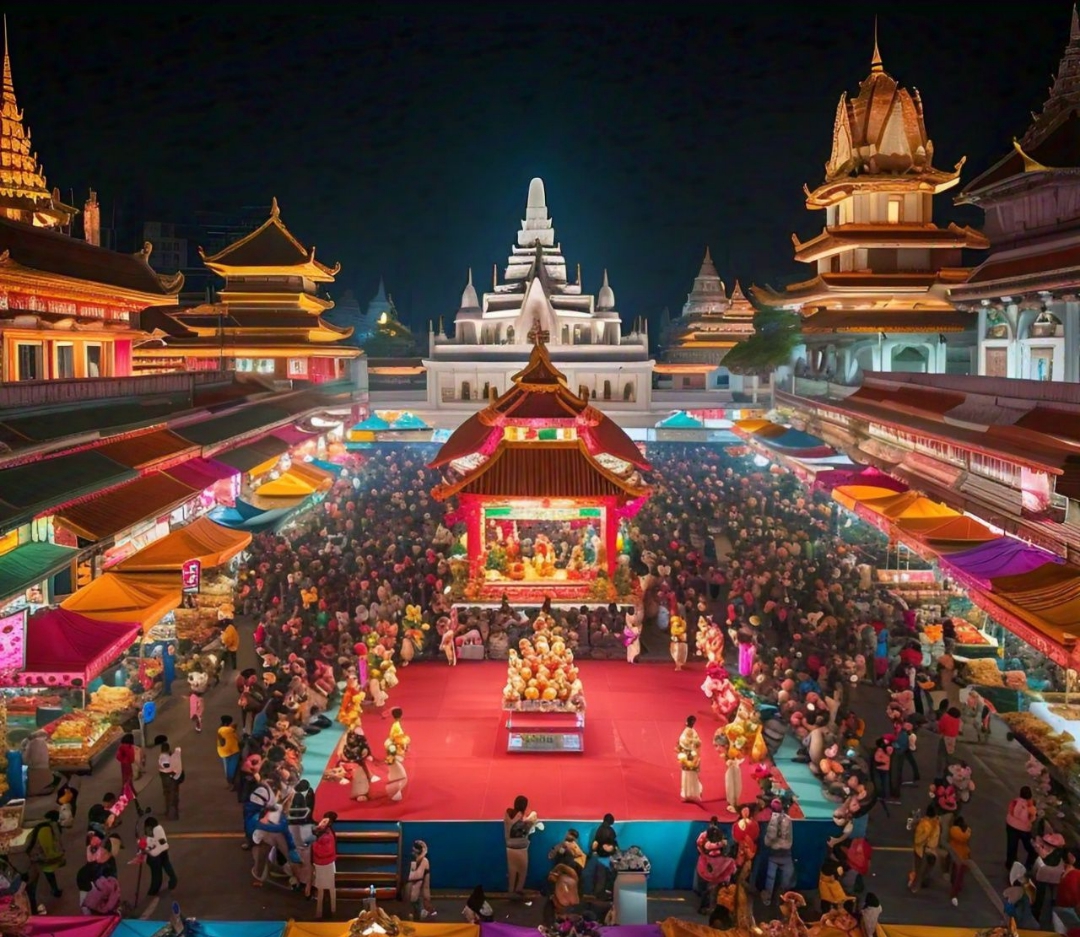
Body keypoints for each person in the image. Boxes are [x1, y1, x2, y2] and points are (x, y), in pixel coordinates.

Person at [26, 810, 65, 914]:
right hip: (40, 858)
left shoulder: (45, 826)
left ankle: (55, 890)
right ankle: (54, 891)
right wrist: (58, 857)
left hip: (40, 857)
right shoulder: (46, 830)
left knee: (48, 874)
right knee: (45, 875)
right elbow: (47, 849)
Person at [694, 817, 734, 914]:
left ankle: (713, 908)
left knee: (714, 889)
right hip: (707, 864)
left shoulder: (720, 836)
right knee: (708, 889)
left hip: (717, 865)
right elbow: (701, 845)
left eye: (715, 824)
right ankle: (705, 907)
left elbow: (725, 849)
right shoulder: (705, 836)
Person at [504, 795, 539, 901]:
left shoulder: (507, 814)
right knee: (522, 871)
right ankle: (518, 890)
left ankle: (511, 893)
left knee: (512, 872)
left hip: (509, 847)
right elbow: (533, 816)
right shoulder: (525, 821)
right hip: (521, 849)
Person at [762, 799, 794, 906]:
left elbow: (770, 838)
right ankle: (783, 899)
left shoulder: (773, 819)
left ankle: (769, 900)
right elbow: (790, 838)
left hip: (775, 853)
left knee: (771, 878)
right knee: (786, 878)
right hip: (785, 853)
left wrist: (768, 842)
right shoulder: (788, 819)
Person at [141, 816, 178, 897]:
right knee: (166, 864)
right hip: (162, 852)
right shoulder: (159, 834)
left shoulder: (153, 835)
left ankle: (152, 891)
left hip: (156, 855)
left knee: (157, 872)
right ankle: (172, 879)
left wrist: (146, 851)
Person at [311, 812, 338, 920]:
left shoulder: (326, 836)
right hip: (327, 864)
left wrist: (314, 845)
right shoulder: (329, 834)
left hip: (322, 864)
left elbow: (324, 851)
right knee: (330, 889)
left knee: (322, 889)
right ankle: (332, 910)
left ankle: (320, 912)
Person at [909, 804, 940, 893]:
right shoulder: (925, 825)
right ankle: (915, 886)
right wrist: (926, 836)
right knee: (919, 870)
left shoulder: (933, 823)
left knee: (927, 867)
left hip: (930, 849)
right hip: (922, 850)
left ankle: (921, 881)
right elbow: (918, 840)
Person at [1005, 785, 1037, 871]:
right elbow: (1032, 818)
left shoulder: (1015, 801)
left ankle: (1010, 864)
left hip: (1011, 825)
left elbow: (1010, 811)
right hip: (1024, 829)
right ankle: (1028, 866)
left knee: (1012, 846)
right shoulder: (1030, 805)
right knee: (1031, 849)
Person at [589, 813, 618, 899]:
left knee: (600, 878)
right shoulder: (611, 831)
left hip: (600, 857)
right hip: (608, 857)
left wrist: (594, 851)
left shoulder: (599, 830)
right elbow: (614, 844)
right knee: (609, 876)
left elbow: (595, 844)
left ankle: (598, 895)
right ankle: (607, 893)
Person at [678, 715, 703, 802]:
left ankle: (690, 794)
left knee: (690, 775)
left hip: (690, 756)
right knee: (690, 775)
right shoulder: (689, 733)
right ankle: (690, 794)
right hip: (689, 755)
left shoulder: (689, 733)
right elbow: (695, 743)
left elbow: (697, 742)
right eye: (692, 722)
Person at [948, 814, 971, 906]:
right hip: (961, 856)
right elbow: (964, 838)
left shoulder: (954, 830)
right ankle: (956, 888)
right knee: (959, 874)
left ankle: (954, 885)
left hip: (957, 855)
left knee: (956, 873)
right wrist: (968, 830)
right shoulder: (962, 832)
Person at [406, 840, 430, 920]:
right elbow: (411, 876)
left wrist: (427, 902)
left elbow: (426, 885)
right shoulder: (410, 860)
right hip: (408, 899)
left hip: (417, 900)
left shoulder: (425, 861)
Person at [217, 715, 241, 785]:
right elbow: (237, 738)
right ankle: (232, 782)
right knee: (232, 769)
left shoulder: (220, 730)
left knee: (227, 769)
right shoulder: (229, 730)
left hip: (223, 752)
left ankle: (230, 782)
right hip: (233, 752)